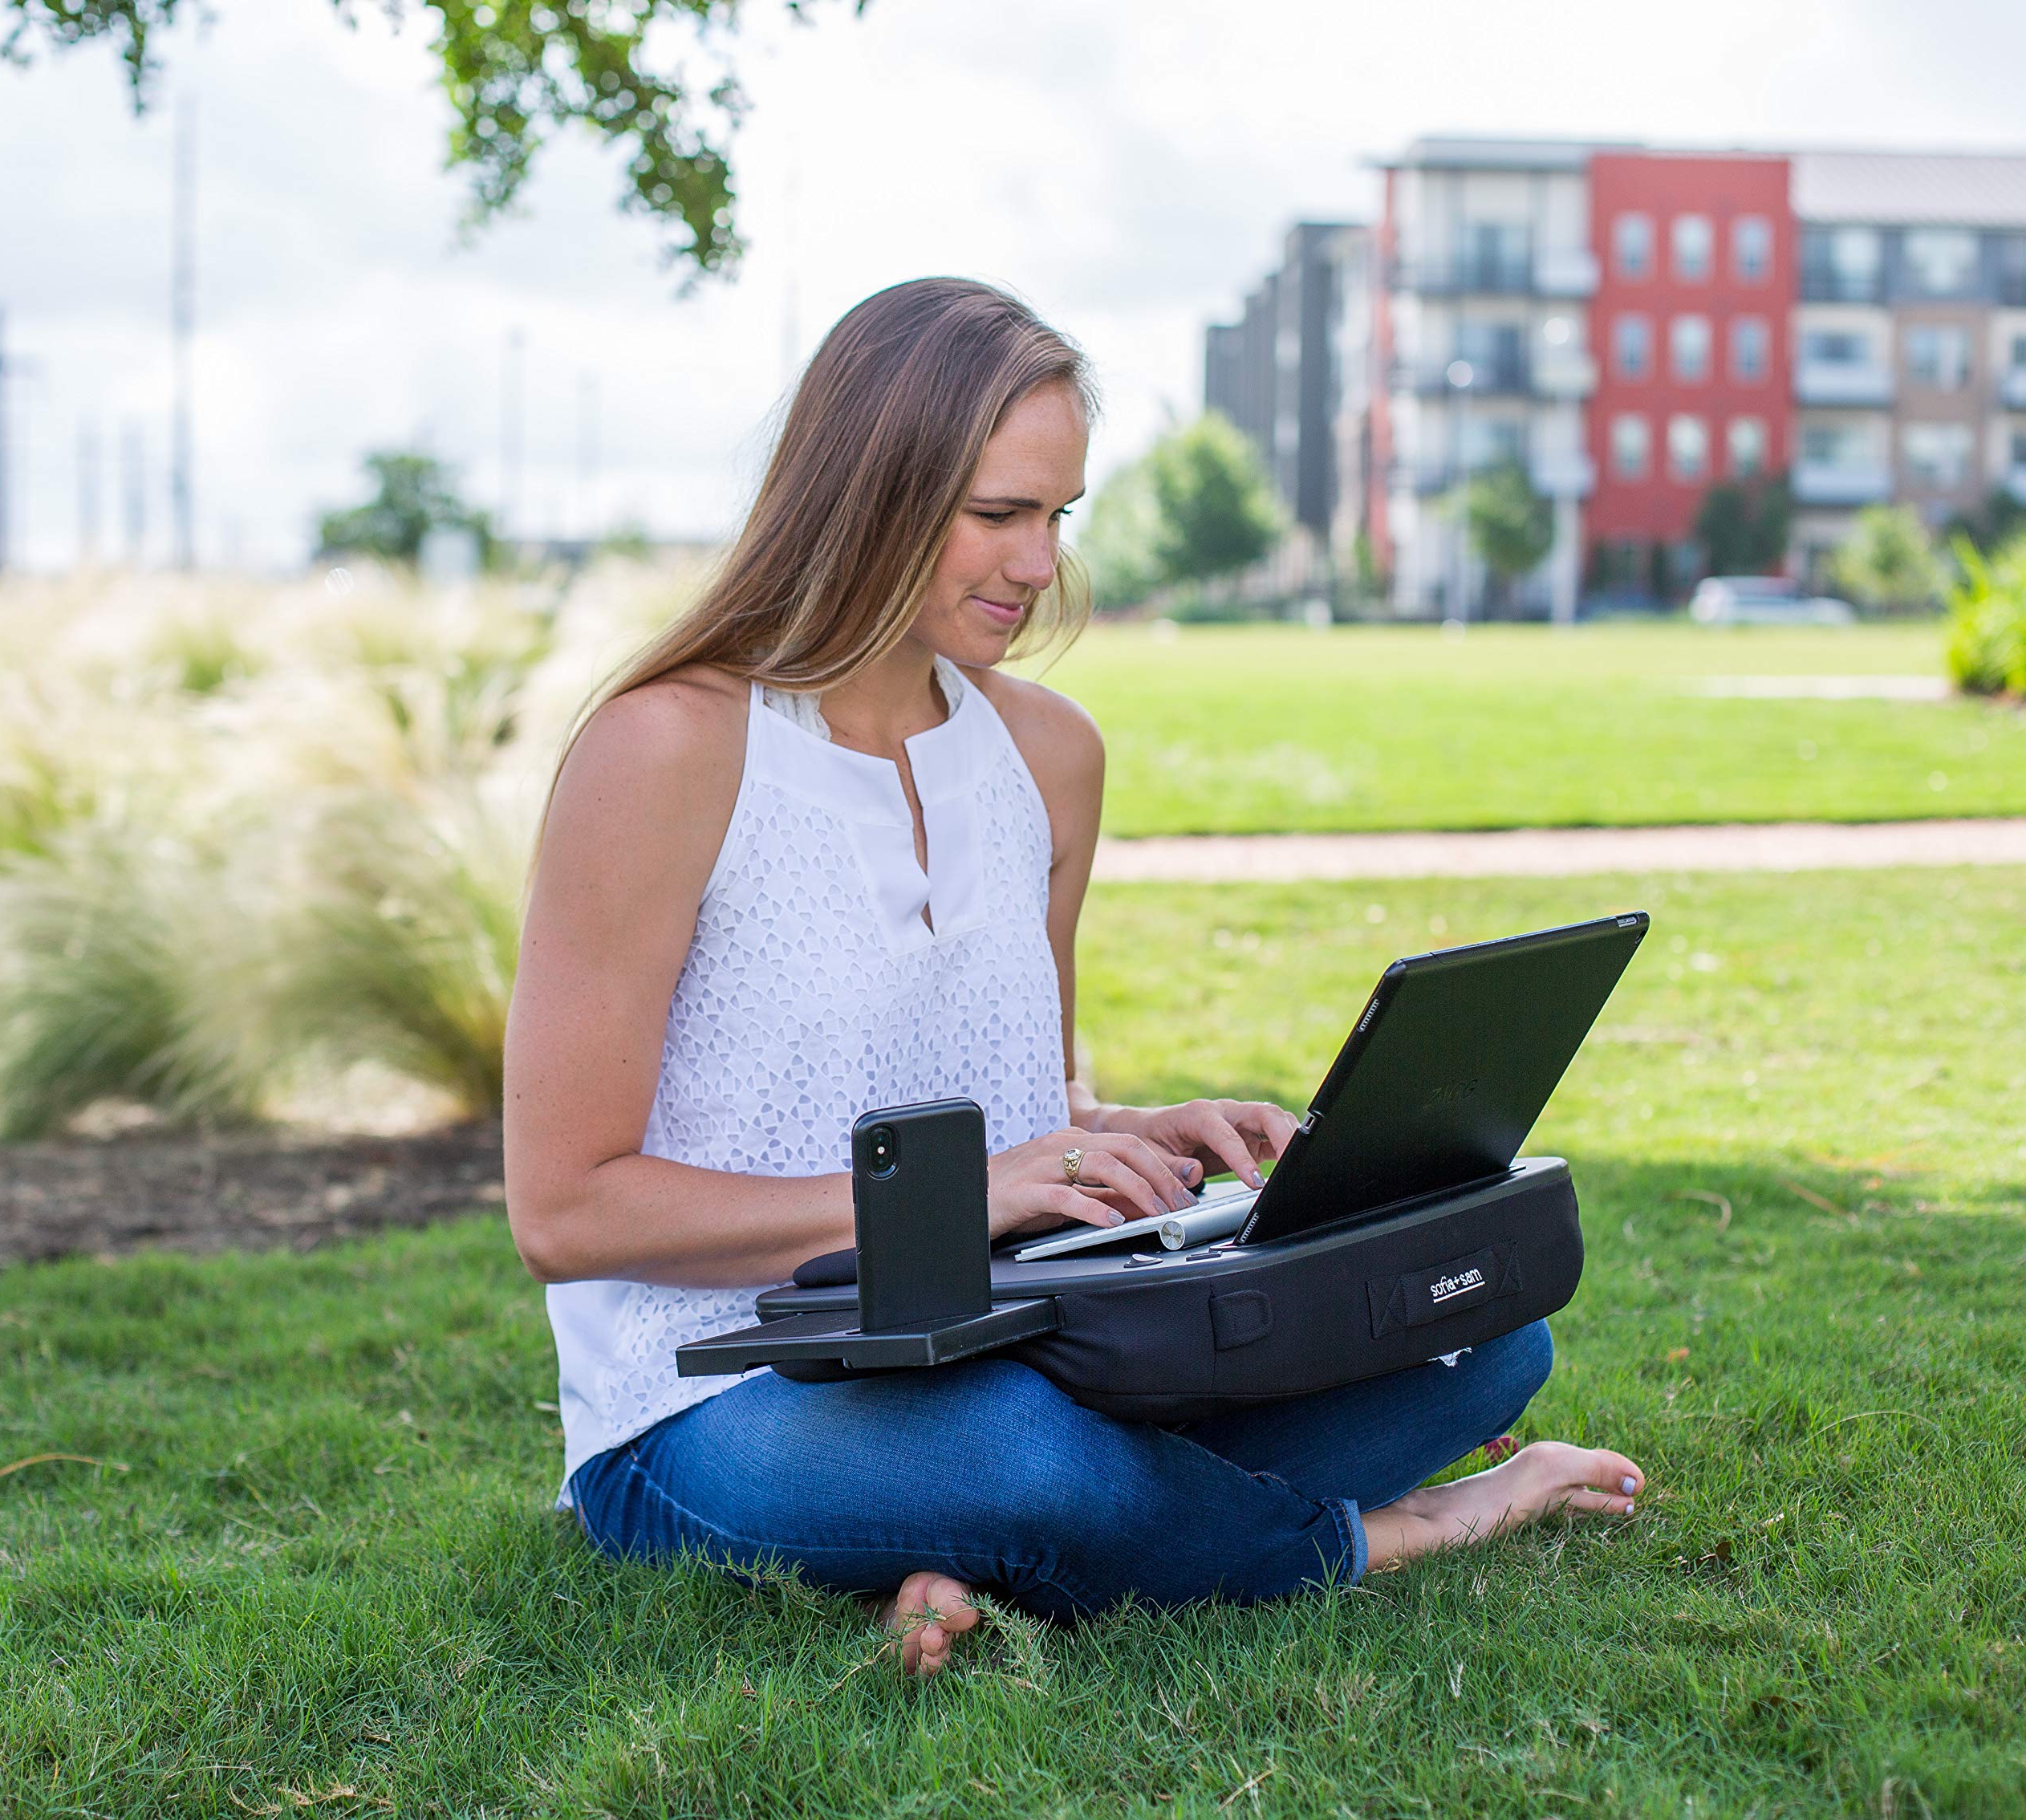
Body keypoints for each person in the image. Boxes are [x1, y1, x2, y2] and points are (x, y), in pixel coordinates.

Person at [503, 278, 1646, 1678]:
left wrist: (1129, 1135)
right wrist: (967, 1196)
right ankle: (1403, 1529)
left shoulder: (1050, 757)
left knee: (1484, 1342)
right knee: (1034, 1464)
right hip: (718, 1390)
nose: (1039, 564)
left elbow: (1021, 1098)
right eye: (999, 514)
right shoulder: (666, 752)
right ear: (867, 490)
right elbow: (566, 1209)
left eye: (1058, 516)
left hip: (1021, 1333)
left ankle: (950, 1550)